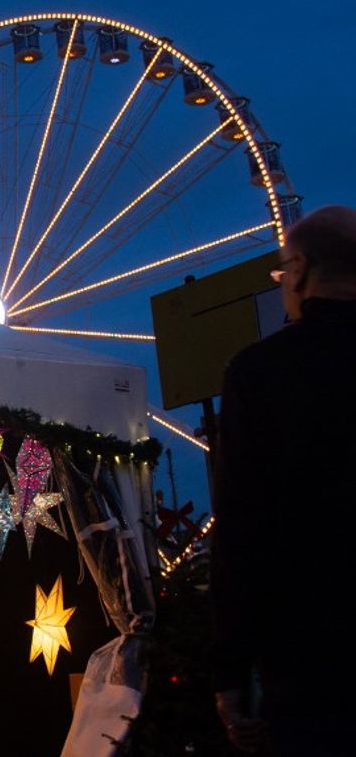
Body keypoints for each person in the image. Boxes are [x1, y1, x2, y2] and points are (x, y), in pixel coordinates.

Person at [211, 206, 356, 755]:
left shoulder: (262, 372)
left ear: (298, 270)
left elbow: (243, 528)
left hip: (310, 657)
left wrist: (229, 670)